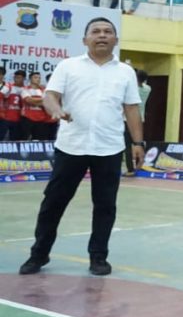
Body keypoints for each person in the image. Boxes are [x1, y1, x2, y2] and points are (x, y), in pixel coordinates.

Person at [18, 18, 145, 277]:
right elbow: (50, 95)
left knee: (105, 205)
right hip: (71, 146)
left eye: (108, 32)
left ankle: (98, 257)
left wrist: (138, 142)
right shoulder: (68, 66)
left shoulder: (125, 72)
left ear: (116, 40)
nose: (102, 35)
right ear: (85, 39)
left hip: (109, 148)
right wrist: (56, 111)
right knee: (53, 202)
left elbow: (131, 108)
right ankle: (38, 254)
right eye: (95, 31)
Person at [123, 69, 151, 177]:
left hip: (128, 120)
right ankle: (140, 163)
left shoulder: (132, 90)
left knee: (127, 145)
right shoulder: (148, 89)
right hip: (140, 119)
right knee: (137, 143)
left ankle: (130, 169)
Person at [20, 72, 51, 140]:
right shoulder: (25, 89)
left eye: (39, 78)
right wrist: (42, 101)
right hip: (27, 118)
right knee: (24, 140)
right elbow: (29, 100)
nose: (38, 79)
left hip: (40, 119)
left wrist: (35, 101)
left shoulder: (43, 90)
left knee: (39, 141)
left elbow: (47, 103)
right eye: (35, 77)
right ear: (30, 79)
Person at [2, 70, 26, 141]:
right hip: (6, 118)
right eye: (15, 77)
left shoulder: (26, 89)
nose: (16, 79)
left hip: (18, 119)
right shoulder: (8, 86)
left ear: (24, 79)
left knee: (14, 140)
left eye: (19, 77)